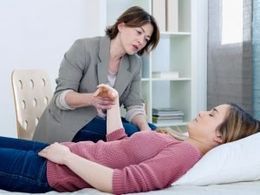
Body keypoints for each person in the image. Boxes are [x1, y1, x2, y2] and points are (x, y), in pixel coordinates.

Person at [0, 84, 259, 194]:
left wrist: (67, 158)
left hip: (49, 170)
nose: (203, 112)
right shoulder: (181, 144)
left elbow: (121, 182)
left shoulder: (185, 155)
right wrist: (113, 104)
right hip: (56, 154)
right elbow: (119, 144)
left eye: (212, 114)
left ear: (219, 136)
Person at [33, 6, 160, 143]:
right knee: (132, 136)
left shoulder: (135, 63)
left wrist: (144, 127)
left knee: (152, 131)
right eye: (138, 32)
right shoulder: (83, 47)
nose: (141, 41)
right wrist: (91, 99)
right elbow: (61, 98)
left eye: (146, 39)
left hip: (104, 122)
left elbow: (134, 104)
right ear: (121, 26)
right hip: (69, 122)